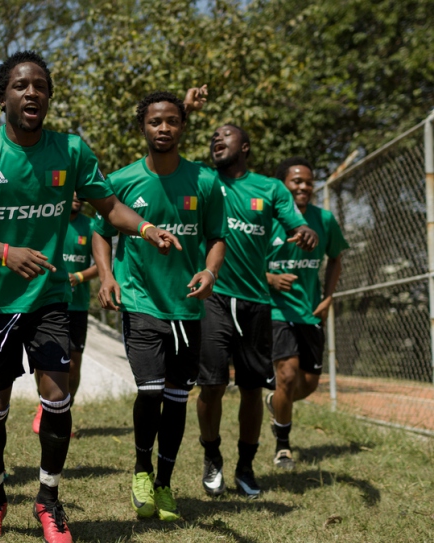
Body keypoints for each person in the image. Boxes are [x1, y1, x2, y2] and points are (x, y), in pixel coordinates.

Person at [0, 51, 178, 543]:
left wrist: (147, 227)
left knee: (58, 396)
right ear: (2, 96)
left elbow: (109, 207)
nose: (32, 93)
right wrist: (3, 251)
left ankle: (48, 499)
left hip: (49, 298)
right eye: (21, 85)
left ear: (49, 96)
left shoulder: (71, 150)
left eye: (40, 86)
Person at [92, 90, 227, 521]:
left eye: (171, 121)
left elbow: (217, 238)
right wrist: (108, 275)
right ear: (143, 128)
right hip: (141, 300)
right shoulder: (122, 180)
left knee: (176, 399)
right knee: (149, 393)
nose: (163, 128)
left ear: (183, 126)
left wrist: (210, 273)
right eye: (155, 122)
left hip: (187, 308)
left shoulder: (205, 181)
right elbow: (100, 230)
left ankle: (165, 485)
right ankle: (141, 471)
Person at [184, 87, 319, 498]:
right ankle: (212, 457)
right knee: (209, 386)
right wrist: (185, 111)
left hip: (257, 303)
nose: (217, 141)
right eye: (213, 138)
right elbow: (169, 151)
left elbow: (295, 223)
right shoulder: (205, 180)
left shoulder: (270, 189)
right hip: (214, 297)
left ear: (244, 146)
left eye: (225, 136)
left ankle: (245, 465)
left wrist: (304, 231)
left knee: (250, 388)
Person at [265, 157, 347, 469]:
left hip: (309, 312)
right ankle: (283, 447)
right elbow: (240, 261)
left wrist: (327, 298)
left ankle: (276, 403)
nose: (303, 186)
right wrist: (269, 278)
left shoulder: (324, 220)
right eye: (296, 181)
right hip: (274, 310)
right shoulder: (267, 220)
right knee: (286, 374)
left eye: (308, 182)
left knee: (308, 383)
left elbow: (336, 258)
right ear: (281, 186)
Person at [32, 193, 98, 434]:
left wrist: (79, 277)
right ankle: (44, 405)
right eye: (73, 192)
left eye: (82, 193)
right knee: (44, 361)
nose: (79, 196)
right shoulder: (49, 218)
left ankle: (64, 409)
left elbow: (101, 263)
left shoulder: (90, 226)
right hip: (49, 301)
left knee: (73, 364)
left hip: (77, 306)